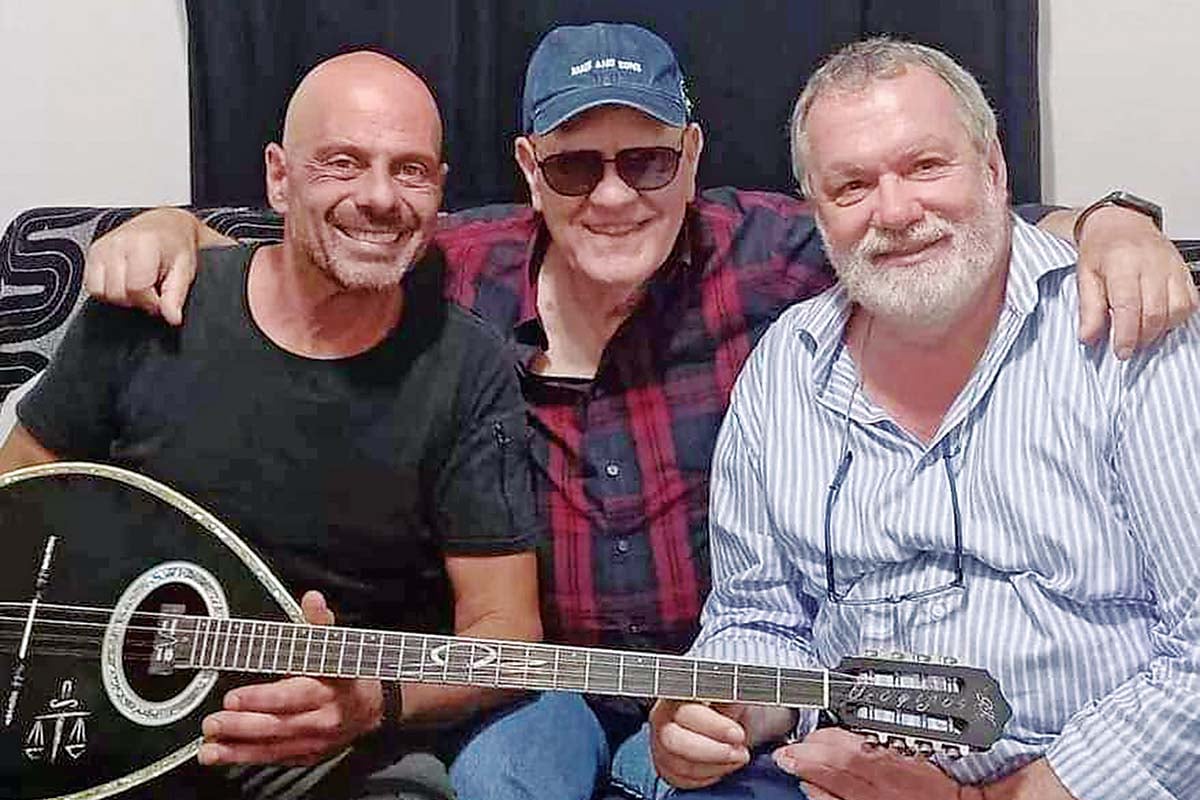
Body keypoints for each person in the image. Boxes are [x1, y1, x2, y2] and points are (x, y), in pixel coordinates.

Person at [79, 23, 1197, 800]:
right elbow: (320, 245)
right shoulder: (453, 266)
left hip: (730, 680)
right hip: (558, 680)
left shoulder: (786, 258)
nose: (614, 195)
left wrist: (1117, 220)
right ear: (529, 170)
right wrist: (175, 229)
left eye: (649, 162)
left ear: (693, 157)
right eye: (576, 168)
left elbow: (963, 233)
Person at [649, 37, 1200, 800]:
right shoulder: (784, 369)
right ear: (817, 212)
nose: (896, 211)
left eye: (926, 166)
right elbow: (761, 619)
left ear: (994, 169)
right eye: (851, 186)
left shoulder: (1128, 332)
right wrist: (717, 712)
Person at [0, 51, 542, 800]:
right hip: (89, 722)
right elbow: (19, 496)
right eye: (342, 162)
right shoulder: (151, 307)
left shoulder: (469, 368)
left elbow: (505, 637)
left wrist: (373, 703)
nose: (379, 196)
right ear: (279, 177)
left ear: (440, 190)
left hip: (323, 754)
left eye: (411, 170)